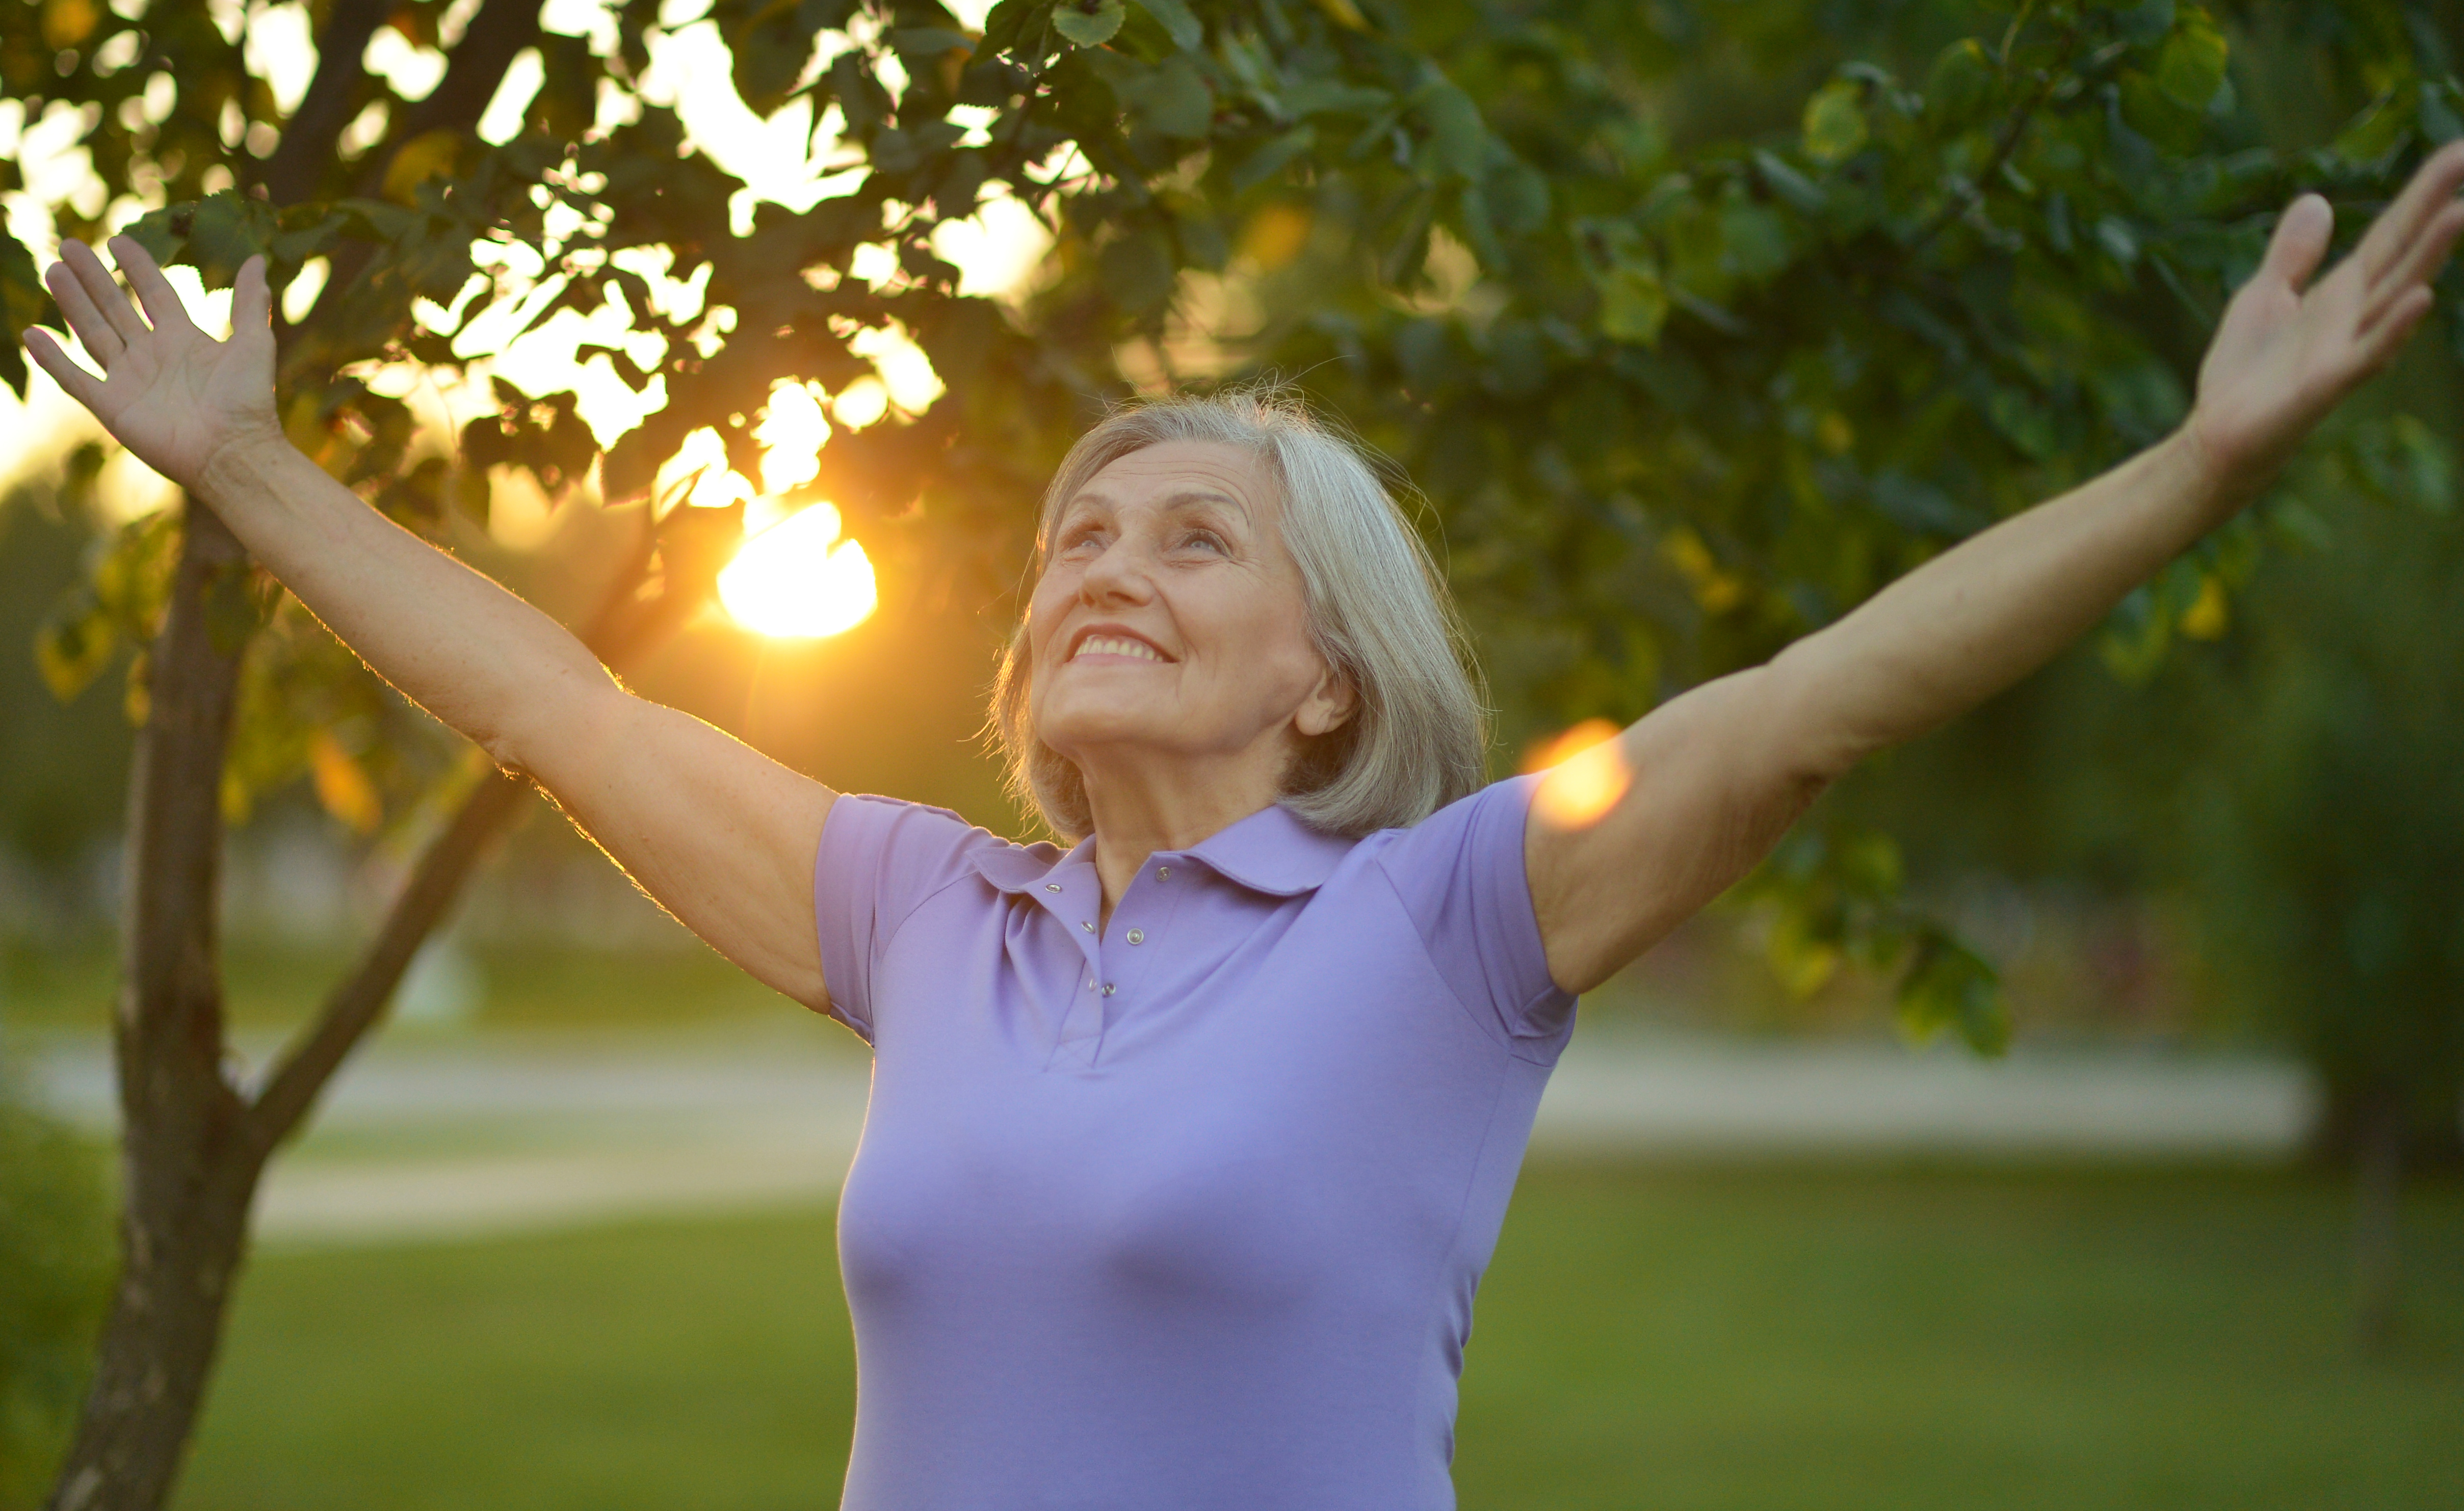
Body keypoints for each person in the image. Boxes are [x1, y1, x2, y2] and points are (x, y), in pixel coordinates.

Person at [25, 141, 2464, 1507]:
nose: (1105, 561)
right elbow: (554, 699)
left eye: (1193, 536)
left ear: (1327, 682)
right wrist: (235, 460)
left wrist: (2198, 465)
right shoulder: (917, 910)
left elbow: (1807, 712)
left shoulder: (1442, 923)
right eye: (1080, 537)